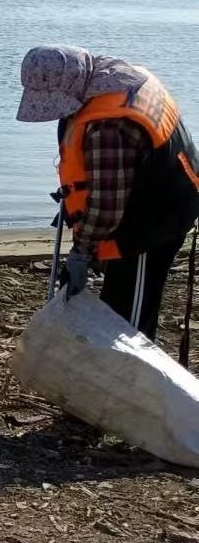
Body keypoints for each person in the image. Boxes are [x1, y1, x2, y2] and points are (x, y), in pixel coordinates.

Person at [17, 45, 199, 337]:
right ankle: (114, 372)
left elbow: (105, 208)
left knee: (129, 324)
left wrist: (81, 253)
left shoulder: (109, 127)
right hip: (142, 198)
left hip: (152, 223)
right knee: (117, 303)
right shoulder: (113, 79)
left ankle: (134, 377)